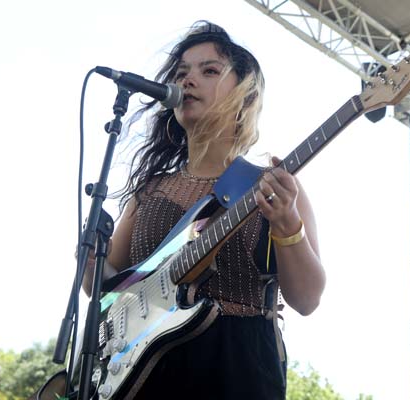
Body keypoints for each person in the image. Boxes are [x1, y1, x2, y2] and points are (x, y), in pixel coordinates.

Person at [83, 20, 325, 399]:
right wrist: (89, 259)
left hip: (237, 367)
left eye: (209, 70)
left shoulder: (272, 185)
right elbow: (105, 293)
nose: (187, 80)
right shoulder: (150, 191)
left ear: (246, 97)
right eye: (181, 73)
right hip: (144, 373)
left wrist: (286, 223)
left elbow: (307, 299)